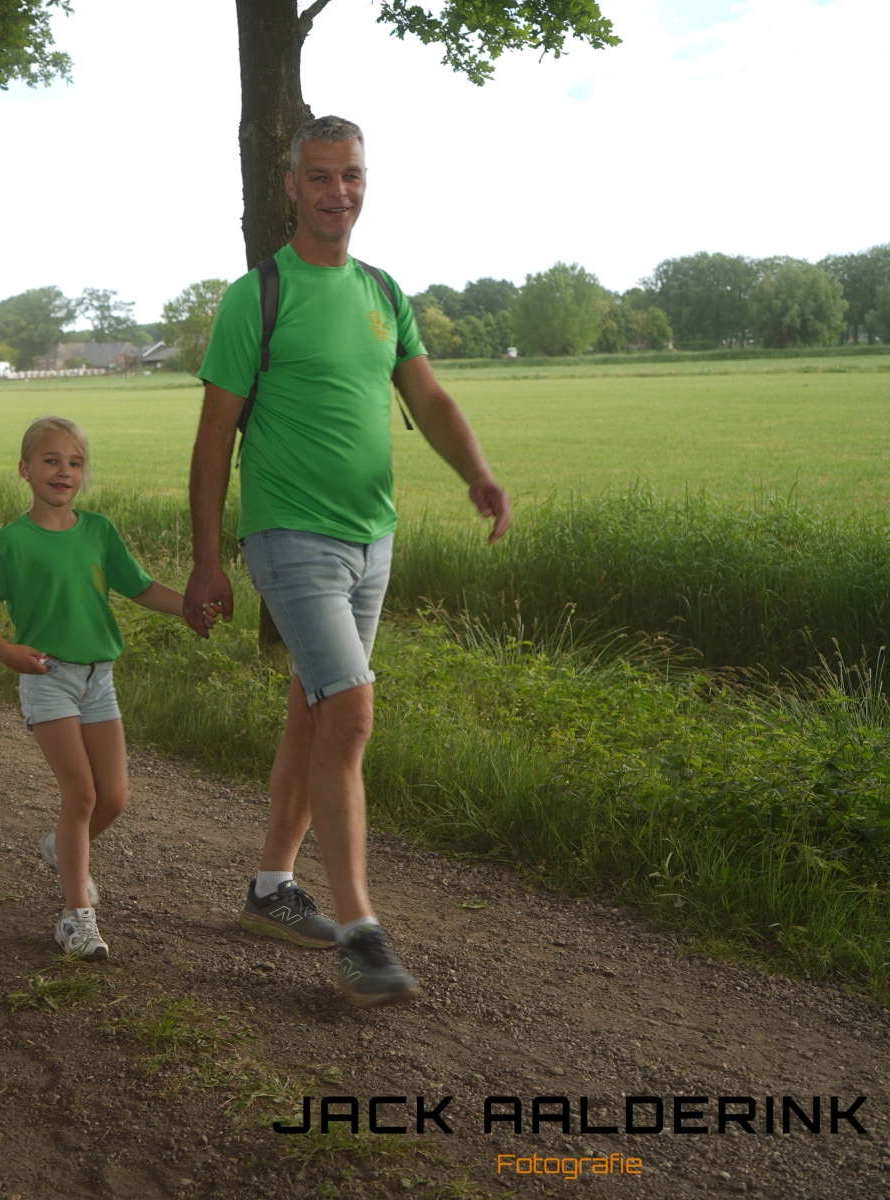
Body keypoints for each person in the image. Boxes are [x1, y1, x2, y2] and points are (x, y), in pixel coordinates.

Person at [184, 115, 512, 1009]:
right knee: (353, 712)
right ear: (291, 185)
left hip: (375, 539)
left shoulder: (382, 291)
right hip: (290, 537)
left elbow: (428, 396)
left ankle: (270, 890)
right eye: (322, 177)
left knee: (317, 714)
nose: (340, 192)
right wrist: (209, 560)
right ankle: (362, 932)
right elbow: (214, 439)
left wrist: (477, 471)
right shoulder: (257, 296)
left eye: (353, 175)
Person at [0, 416, 187, 962]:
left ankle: (61, 848)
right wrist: (5, 651)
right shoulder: (11, 542)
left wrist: (192, 607)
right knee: (81, 794)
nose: (64, 471)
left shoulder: (100, 531)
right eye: (51, 460)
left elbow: (140, 587)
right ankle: (75, 919)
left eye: (75, 462)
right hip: (48, 678)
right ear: (25, 469)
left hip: (98, 679)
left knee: (114, 798)